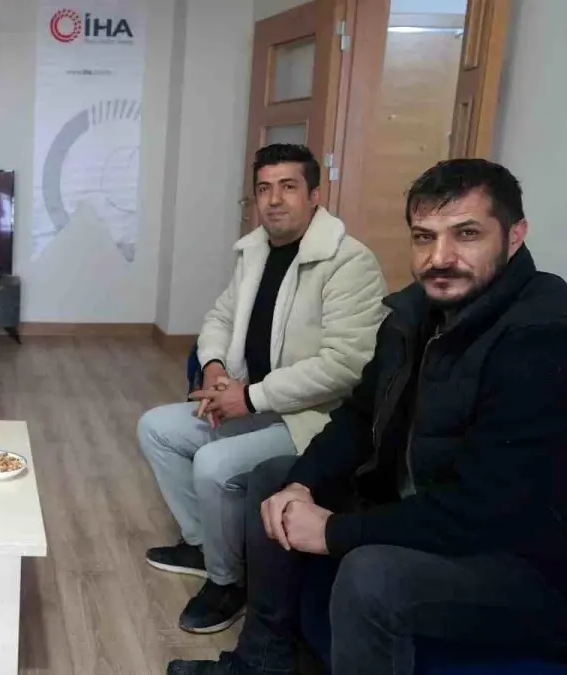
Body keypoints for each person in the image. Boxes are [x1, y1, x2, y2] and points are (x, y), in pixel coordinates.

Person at [167, 158, 567, 675]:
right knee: (274, 480)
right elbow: (359, 416)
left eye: (466, 234)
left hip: (519, 560)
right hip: (422, 504)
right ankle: (260, 663)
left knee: (370, 574)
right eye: (424, 237)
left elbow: (488, 509)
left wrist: (334, 531)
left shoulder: (541, 334)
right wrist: (301, 485)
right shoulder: (413, 313)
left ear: (515, 235)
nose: (440, 258)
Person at [137, 143, 387, 634]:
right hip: (255, 400)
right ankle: (206, 545)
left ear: (315, 195)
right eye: (264, 188)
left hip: (315, 418)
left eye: (288, 187)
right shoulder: (255, 251)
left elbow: (346, 365)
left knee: (214, 464)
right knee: (156, 428)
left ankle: (227, 581)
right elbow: (219, 317)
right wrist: (214, 367)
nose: (274, 200)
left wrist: (249, 397)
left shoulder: (349, 262)